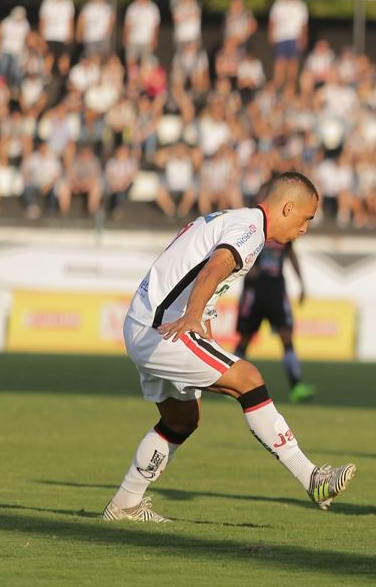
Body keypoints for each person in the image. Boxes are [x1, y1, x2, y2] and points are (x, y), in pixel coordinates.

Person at [103, 172, 356, 523]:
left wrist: (201, 321)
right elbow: (215, 267)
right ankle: (311, 477)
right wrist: (192, 316)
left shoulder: (236, 220)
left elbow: (198, 275)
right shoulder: (251, 230)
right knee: (248, 379)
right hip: (161, 329)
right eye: (306, 219)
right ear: (287, 208)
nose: (305, 229)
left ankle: (125, 504)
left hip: (146, 324)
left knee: (182, 420)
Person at [234, 189, 314, 403]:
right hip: (254, 291)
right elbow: (236, 252)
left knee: (287, 336)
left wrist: (302, 283)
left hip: (277, 291)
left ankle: (296, 386)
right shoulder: (252, 229)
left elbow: (291, 254)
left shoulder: (283, 230)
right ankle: (230, 386)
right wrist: (247, 268)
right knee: (245, 338)